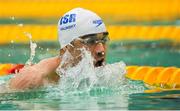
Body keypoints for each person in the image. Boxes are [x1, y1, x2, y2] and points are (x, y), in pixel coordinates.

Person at [9, 8, 109, 90]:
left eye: (103, 40)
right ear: (67, 47)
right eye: (90, 41)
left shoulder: (109, 75)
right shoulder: (33, 79)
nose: (101, 50)